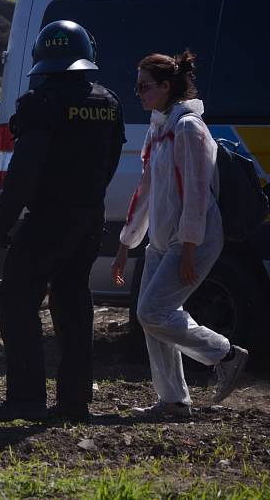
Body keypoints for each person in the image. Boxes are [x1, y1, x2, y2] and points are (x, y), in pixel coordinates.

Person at [0, 20, 125, 423]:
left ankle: (26, 398)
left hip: (50, 219)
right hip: (88, 218)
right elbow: (111, 161)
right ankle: (74, 401)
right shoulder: (108, 102)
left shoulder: (40, 103)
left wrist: (2, 222)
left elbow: (24, 170)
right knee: (74, 303)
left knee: (16, 301)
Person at [111, 50, 249, 418]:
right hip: (163, 238)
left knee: (153, 312)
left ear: (166, 86)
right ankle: (173, 400)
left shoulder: (189, 129)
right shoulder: (160, 128)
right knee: (153, 317)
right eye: (137, 86)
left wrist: (189, 247)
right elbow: (145, 190)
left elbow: (197, 192)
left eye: (145, 87)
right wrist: (127, 243)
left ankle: (225, 354)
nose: (139, 93)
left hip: (194, 237)